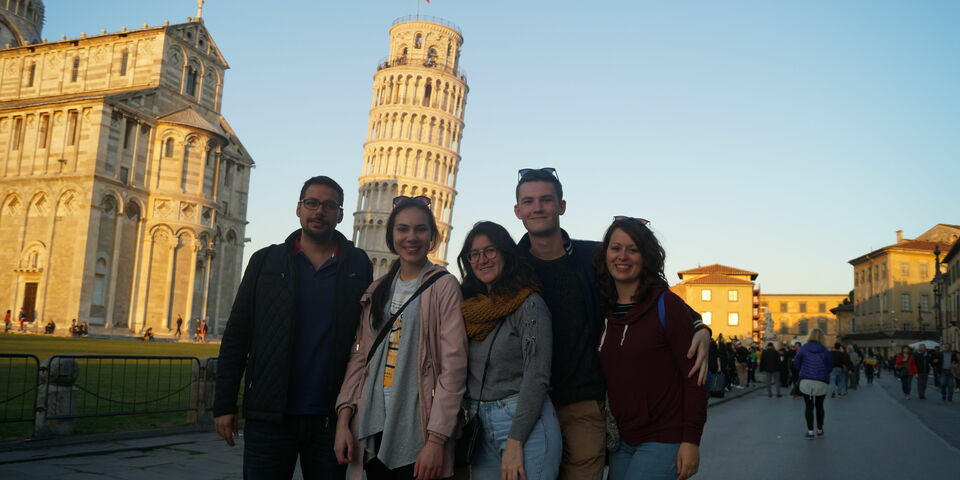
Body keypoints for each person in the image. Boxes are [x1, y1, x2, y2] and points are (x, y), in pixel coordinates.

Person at [511, 168, 711, 480]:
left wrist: (699, 324)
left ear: (561, 206)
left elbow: (650, 287)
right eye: (529, 201)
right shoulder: (512, 267)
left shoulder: (593, 255)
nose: (538, 208)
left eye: (546, 200)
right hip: (532, 408)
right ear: (518, 210)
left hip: (585, 407)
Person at [214, 176, 373, 480]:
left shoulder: (357, 265)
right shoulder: (266, 261)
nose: (319, 212)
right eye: (311, 203)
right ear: (298, 209)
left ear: (340, 214)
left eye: (329, 206)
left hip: (331, 417)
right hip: (270, 416)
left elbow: (365, 339)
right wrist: (224, 404)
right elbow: (237, 335)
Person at [335, 195, 467, 480]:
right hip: (370, 423)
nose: (411, 237)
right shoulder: (377, 289)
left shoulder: (444, 287)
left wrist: (436, 440)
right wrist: (343, 421)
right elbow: (360, 357)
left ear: (432, 236)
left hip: (418, 428)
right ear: (391, 234)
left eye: (420, 229)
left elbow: (453, 368)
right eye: (403, 229)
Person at [594, 217, 705, 480]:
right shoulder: (603, 310)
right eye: (616, 248)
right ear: (605, 253)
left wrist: (691, 441)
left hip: (664, 439)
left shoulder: (667, 306)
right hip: (621, 440)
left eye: (633, 249)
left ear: (646, 257)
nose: (623, 256)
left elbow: (695, 380)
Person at [457, 221, 561, 479]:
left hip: (524, 425)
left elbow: (537, 376)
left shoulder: (528, 304)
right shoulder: (470, 310)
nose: (483, 259)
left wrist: (516, 440)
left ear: (505, 253)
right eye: (475, 254)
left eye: (490, 250)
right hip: (481, 425)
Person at [793, 328, 832, 439]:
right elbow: (829, 367)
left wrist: (804, 369)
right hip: (821, 381)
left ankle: (810, 432)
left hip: (806, 381)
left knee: (808, 407)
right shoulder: (825, 350)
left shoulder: (804, 349)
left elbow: (796, 363)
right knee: (820, 406)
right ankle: (820, 429)